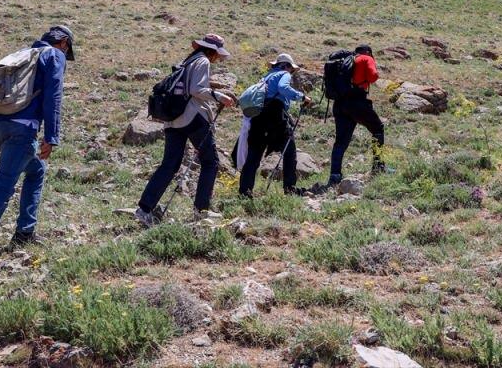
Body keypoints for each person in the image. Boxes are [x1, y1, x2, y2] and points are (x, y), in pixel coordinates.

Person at [0, 25, 74, 263]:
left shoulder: (22, 54)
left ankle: (25, 231)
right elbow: (53, 96)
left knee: (36, 170)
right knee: (2, 189)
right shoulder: (54, 55)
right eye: (67, 48)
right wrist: (51, 136)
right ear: (62, 42)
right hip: (22, 131)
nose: (66, 53)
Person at [135, 34, 236, 226]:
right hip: (193, 118)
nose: (218, 58)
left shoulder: (187, 61)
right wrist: (220, 96)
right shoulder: (203, 61)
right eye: (218, 54)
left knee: (169, 165)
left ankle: (145, 209)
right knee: (210, 162)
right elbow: (197, 90)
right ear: (212, 51)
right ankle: (201, 211)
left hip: (172, 119)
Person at [238, 53, 312, 198]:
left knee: (253, 156)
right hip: (275, 116)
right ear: (288, 66)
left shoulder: (265, 77)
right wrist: (302, 97)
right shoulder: (284, 74)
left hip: (258, 118)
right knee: (289, 151)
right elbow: (283, 88)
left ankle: (244, 193)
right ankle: (289, 189)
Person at [328, 44, 385, 185]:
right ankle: (378, 167)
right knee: (378, 129)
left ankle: (335, 176)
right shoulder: (366, 58)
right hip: (357, 101)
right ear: (368, 52)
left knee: (340, 141)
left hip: (339, 104)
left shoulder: (344, 61)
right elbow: (373, 76)